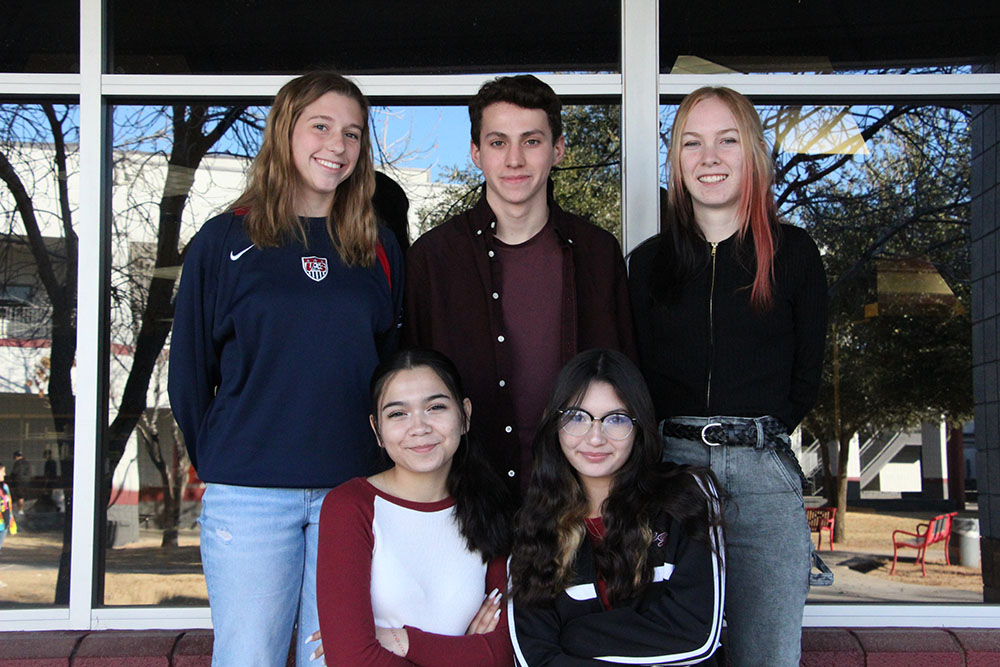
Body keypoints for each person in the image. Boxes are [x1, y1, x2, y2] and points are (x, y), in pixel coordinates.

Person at [168, 71, 404, 667]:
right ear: (284, 131)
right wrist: (229, 459)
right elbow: (191, 378)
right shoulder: (225, 242)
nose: (337, 145)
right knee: (250, 657)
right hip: (248, 498)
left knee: (337, 658)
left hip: (351, 492)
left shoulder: (375, 245)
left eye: (352, 133)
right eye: (320, 126)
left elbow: (394, 377)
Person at [628, 86, 828, 666]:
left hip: (763, 476)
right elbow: (635, 372)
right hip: (671, 472)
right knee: (670, 652)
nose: (708, 157)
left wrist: (753, 440)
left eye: (726, 140)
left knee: (765, 654)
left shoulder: (793, 254)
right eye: (692, 142)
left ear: (753, 155)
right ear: (677, 161)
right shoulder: (647, 263)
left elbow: (805, 376)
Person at [403, 75, 636, 502]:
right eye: (497, 143)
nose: (514, 159)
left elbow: (625, 380)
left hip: (576, 499)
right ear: (475, 153)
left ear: (558, 149)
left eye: (531, 141)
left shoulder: (597, 253)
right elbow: (408, 386)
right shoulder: (434, 258)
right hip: (466, 496)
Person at [508, 349, 725, 666]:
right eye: (577, 418)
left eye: (617, 419)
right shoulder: (536, 523)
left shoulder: (685, 500)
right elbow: (534, 657)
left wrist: (576, 637)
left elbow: (697, 635)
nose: (595, 438)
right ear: (555, 425)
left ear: (639, 427)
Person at [316, 348, 514, 666]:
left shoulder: (491, 505)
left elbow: (504, 652)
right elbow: (351, 658)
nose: (419, 427)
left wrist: (401, 640)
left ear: (464, 415)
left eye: (435, 407)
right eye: (398, 414)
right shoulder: (350, 507)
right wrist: (463, 653)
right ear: (376, 429)